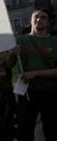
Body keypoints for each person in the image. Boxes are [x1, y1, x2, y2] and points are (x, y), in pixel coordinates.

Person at [7, 8, 57, 141]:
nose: (39, 20)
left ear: (49, 22)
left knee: (51, 130)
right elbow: (9, 65)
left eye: (43, 17)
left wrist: (36, 73)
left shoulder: (55, 41)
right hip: (26, 92)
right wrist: (12, 54)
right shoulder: (20, 40)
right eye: (36, 17)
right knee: (24, 130)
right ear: (31, 20)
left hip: (50, 91)